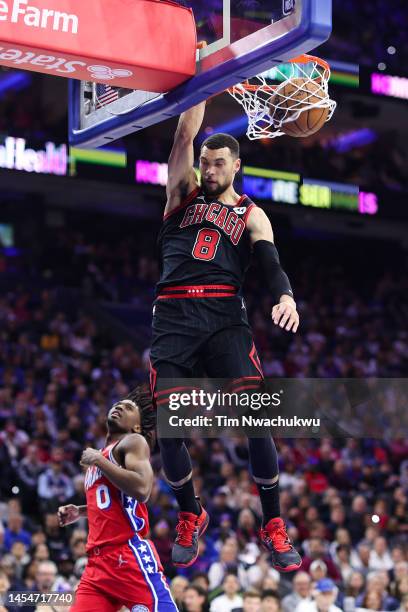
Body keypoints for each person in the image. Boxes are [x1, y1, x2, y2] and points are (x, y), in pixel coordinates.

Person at [150, 100, 301, 572]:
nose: (209, 169)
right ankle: (190, 514)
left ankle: (273, 525)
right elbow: (182, 136)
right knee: (170, 434)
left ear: (236, 166)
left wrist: (286, 296)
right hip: (173, 319)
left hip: (223, 319)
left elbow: (271, 264)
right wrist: (201, 84)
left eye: (219, 163)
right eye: (205, 162)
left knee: (258, 420)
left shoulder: (254, 215)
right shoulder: (181, 195)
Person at [58, 386, 177, 612]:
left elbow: (142, 489)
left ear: (137, 426)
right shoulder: (101, 456)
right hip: (97, 564)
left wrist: (99, 461)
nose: (120, 406)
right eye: (117, 404)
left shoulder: (134, 442)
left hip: (128, 554)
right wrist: (81, 511)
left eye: (128, 407)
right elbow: (116, 501)